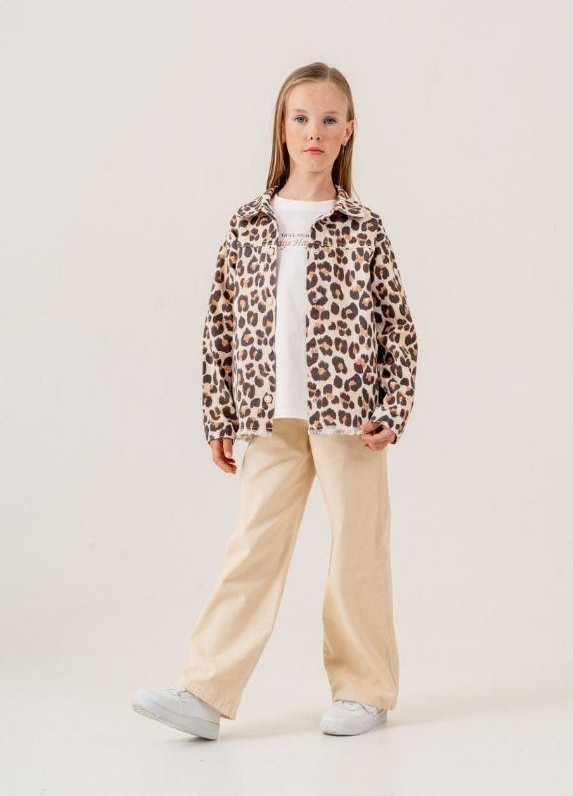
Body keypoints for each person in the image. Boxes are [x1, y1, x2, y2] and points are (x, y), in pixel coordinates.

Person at [132, 61, 418, 739]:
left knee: (357, 551)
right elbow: (220, 323)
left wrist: (392, 409)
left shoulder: (363, 226)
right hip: (267, 415)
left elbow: (398, 328)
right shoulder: (249, 222)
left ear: (348, 132)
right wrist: (219, 414)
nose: (314, 131)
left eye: (328, 119)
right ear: (282, 130)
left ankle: (365, 691)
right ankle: (205, 691)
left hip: (350, 416)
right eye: (301, 118)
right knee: (251, 549)